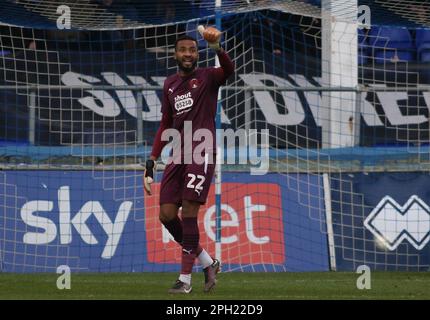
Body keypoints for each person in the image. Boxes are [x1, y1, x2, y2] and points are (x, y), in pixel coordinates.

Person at [143, 27, 234, 294]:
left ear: (197, 54)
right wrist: (152, 160)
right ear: (175, 53)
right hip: (177, 154)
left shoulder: (208, 77)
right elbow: (165, 123)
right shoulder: (169, 84)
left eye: (193, 50)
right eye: (183, 49)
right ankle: (208, 263)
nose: (188, 54)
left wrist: (217, 47)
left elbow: (228, 70)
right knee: (167, 215)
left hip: (201, 151)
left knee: (189, 213)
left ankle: (185, 280)